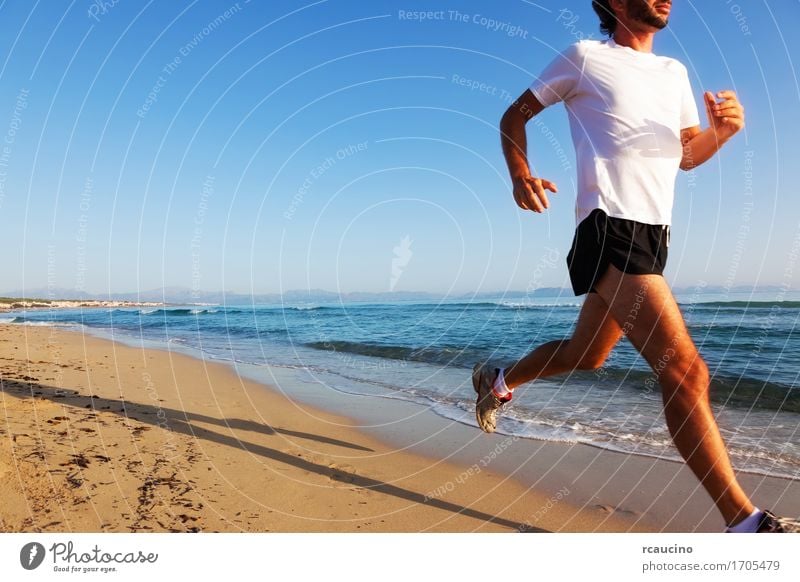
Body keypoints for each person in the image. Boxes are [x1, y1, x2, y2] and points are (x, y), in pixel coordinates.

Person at [473, 0, 795, 533]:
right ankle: (746, 521)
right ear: (616, 3)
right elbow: (515, 115)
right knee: (686, 369)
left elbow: (687, 156)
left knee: (588, 355)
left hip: (654, 233)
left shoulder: (675, 73)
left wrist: (723, 133)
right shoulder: (584, 58)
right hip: (608, 227)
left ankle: (498, 381)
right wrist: (520, 173)